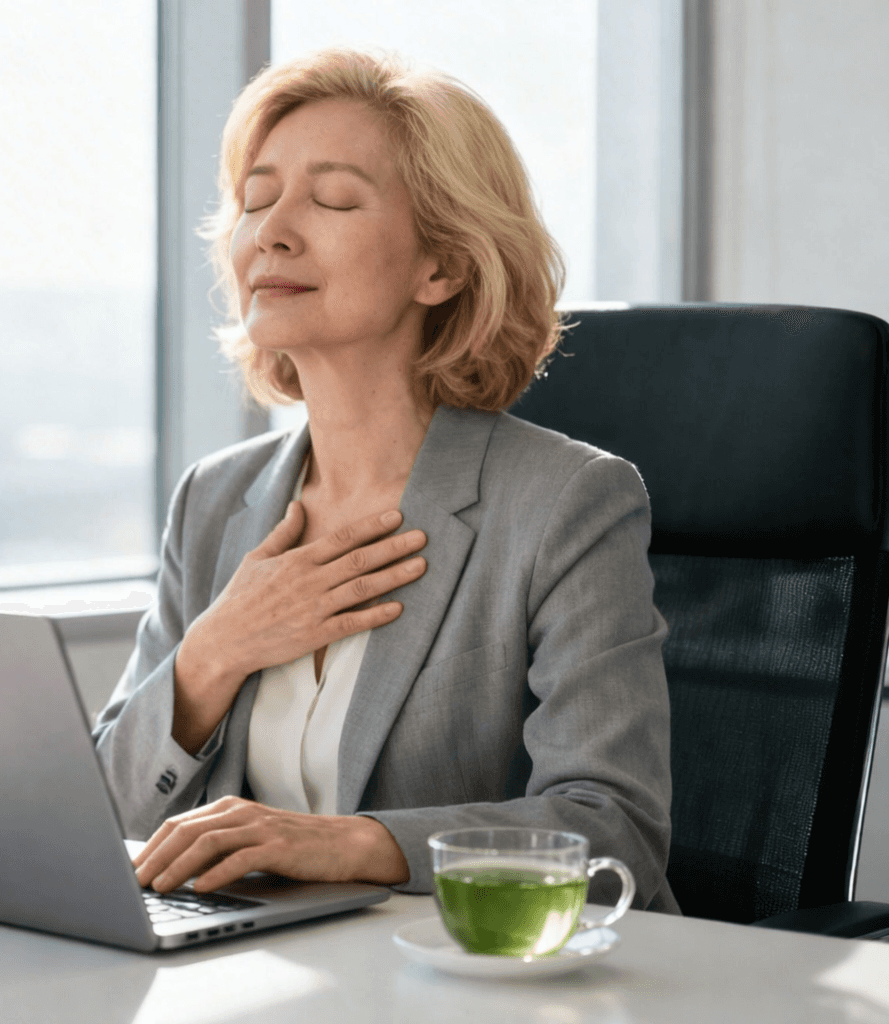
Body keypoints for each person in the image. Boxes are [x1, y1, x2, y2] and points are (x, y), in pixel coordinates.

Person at [92, 48, 677, 913]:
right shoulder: (213, 501)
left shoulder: (567, 503)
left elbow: (610, 829)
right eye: (256, 199)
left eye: (331, 200)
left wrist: (346, 845)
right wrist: (215, 653)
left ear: (439, 266)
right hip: (257, 976)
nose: (272, 231)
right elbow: (98, 809)